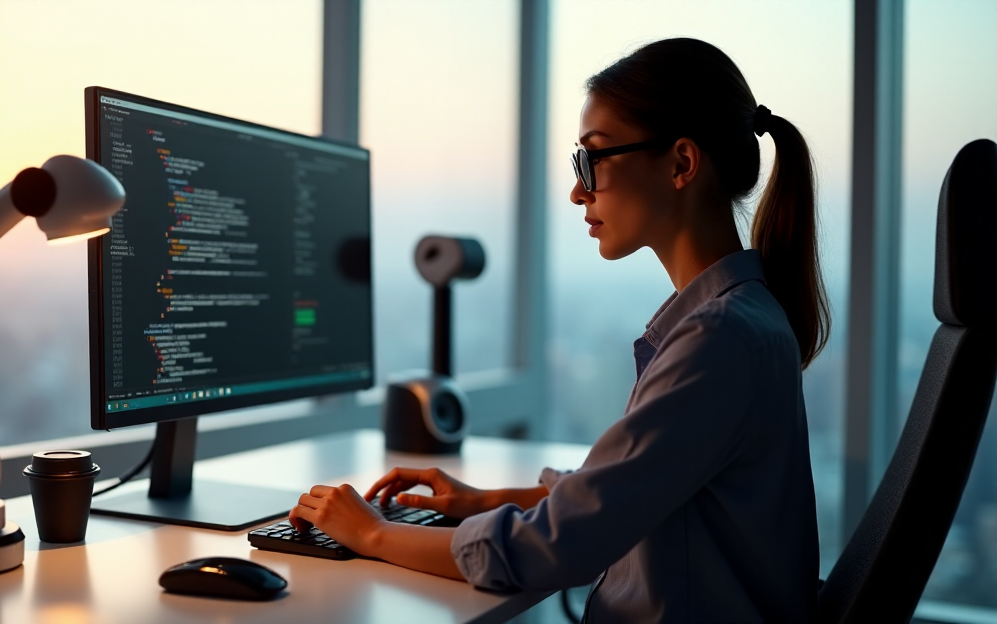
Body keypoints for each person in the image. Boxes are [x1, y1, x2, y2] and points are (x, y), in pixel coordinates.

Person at [288, 37, 827, 623]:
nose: (578, 190)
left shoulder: (717, 340)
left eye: (593, 159)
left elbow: (555, 547)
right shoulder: (742, 318)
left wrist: (371, 535)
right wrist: (481, 501)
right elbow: (630, 489)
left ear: (680, 164)